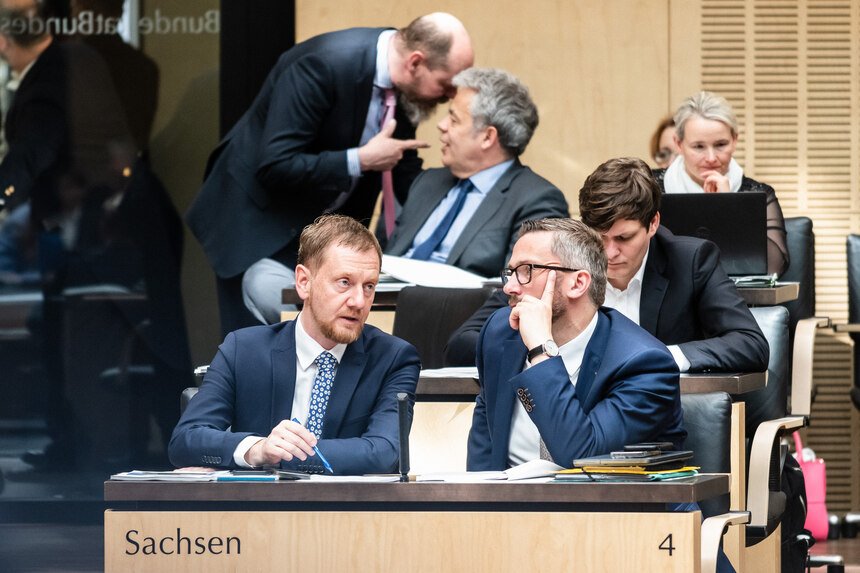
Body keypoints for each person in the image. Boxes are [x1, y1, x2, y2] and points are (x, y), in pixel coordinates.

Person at [186, 13, 475, 334]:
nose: (450, 96)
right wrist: (360, 159)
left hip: (322, 234)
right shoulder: (322, 65)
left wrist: (470, 196)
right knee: (255, 351)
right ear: (416, 63)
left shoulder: (406, 87)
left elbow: (402, 169)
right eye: (446, 84)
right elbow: (276, 164)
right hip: (257, 223)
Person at [446, 158, 768, 375]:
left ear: (653, 223)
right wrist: (543, 347)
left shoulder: (691, 260)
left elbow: (750, 343)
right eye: (599, 238)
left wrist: (660, 359)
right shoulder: (558, 259)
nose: (610, 252)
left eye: (624, 238)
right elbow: (462, 343)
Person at [169, 215, 421, 475]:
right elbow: (185, 440)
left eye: (369, 286)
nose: (358, 301)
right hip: (257, 510)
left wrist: (279, 456)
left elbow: (385, 454)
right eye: (344, 283)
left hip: (346, 510)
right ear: (304, 282)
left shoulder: (393, 358)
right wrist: (256, 448)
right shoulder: (243, 349)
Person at [467, 217, 686, 470]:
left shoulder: (644, 363)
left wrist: (541, 350)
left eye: (527, 270)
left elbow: (579, 455)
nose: (510, 287)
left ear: (578, 283)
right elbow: (486, 437)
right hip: (514, 504)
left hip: (614, 506)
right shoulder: (500, 332)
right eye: (511, 272)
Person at [382, 67, 568, 279]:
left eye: (454, 119)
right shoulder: (427, 182)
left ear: (487, 137)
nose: (441, 125)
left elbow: (520, 286)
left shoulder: (536, 200)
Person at [653, 91, 789, 276]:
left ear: (734, 140)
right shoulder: (649, 188)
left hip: (737, 299)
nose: (711, 158)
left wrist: (729, 205)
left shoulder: (759, 193)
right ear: (679, 144)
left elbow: (775, 267)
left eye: (720, 145)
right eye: (698, 147)